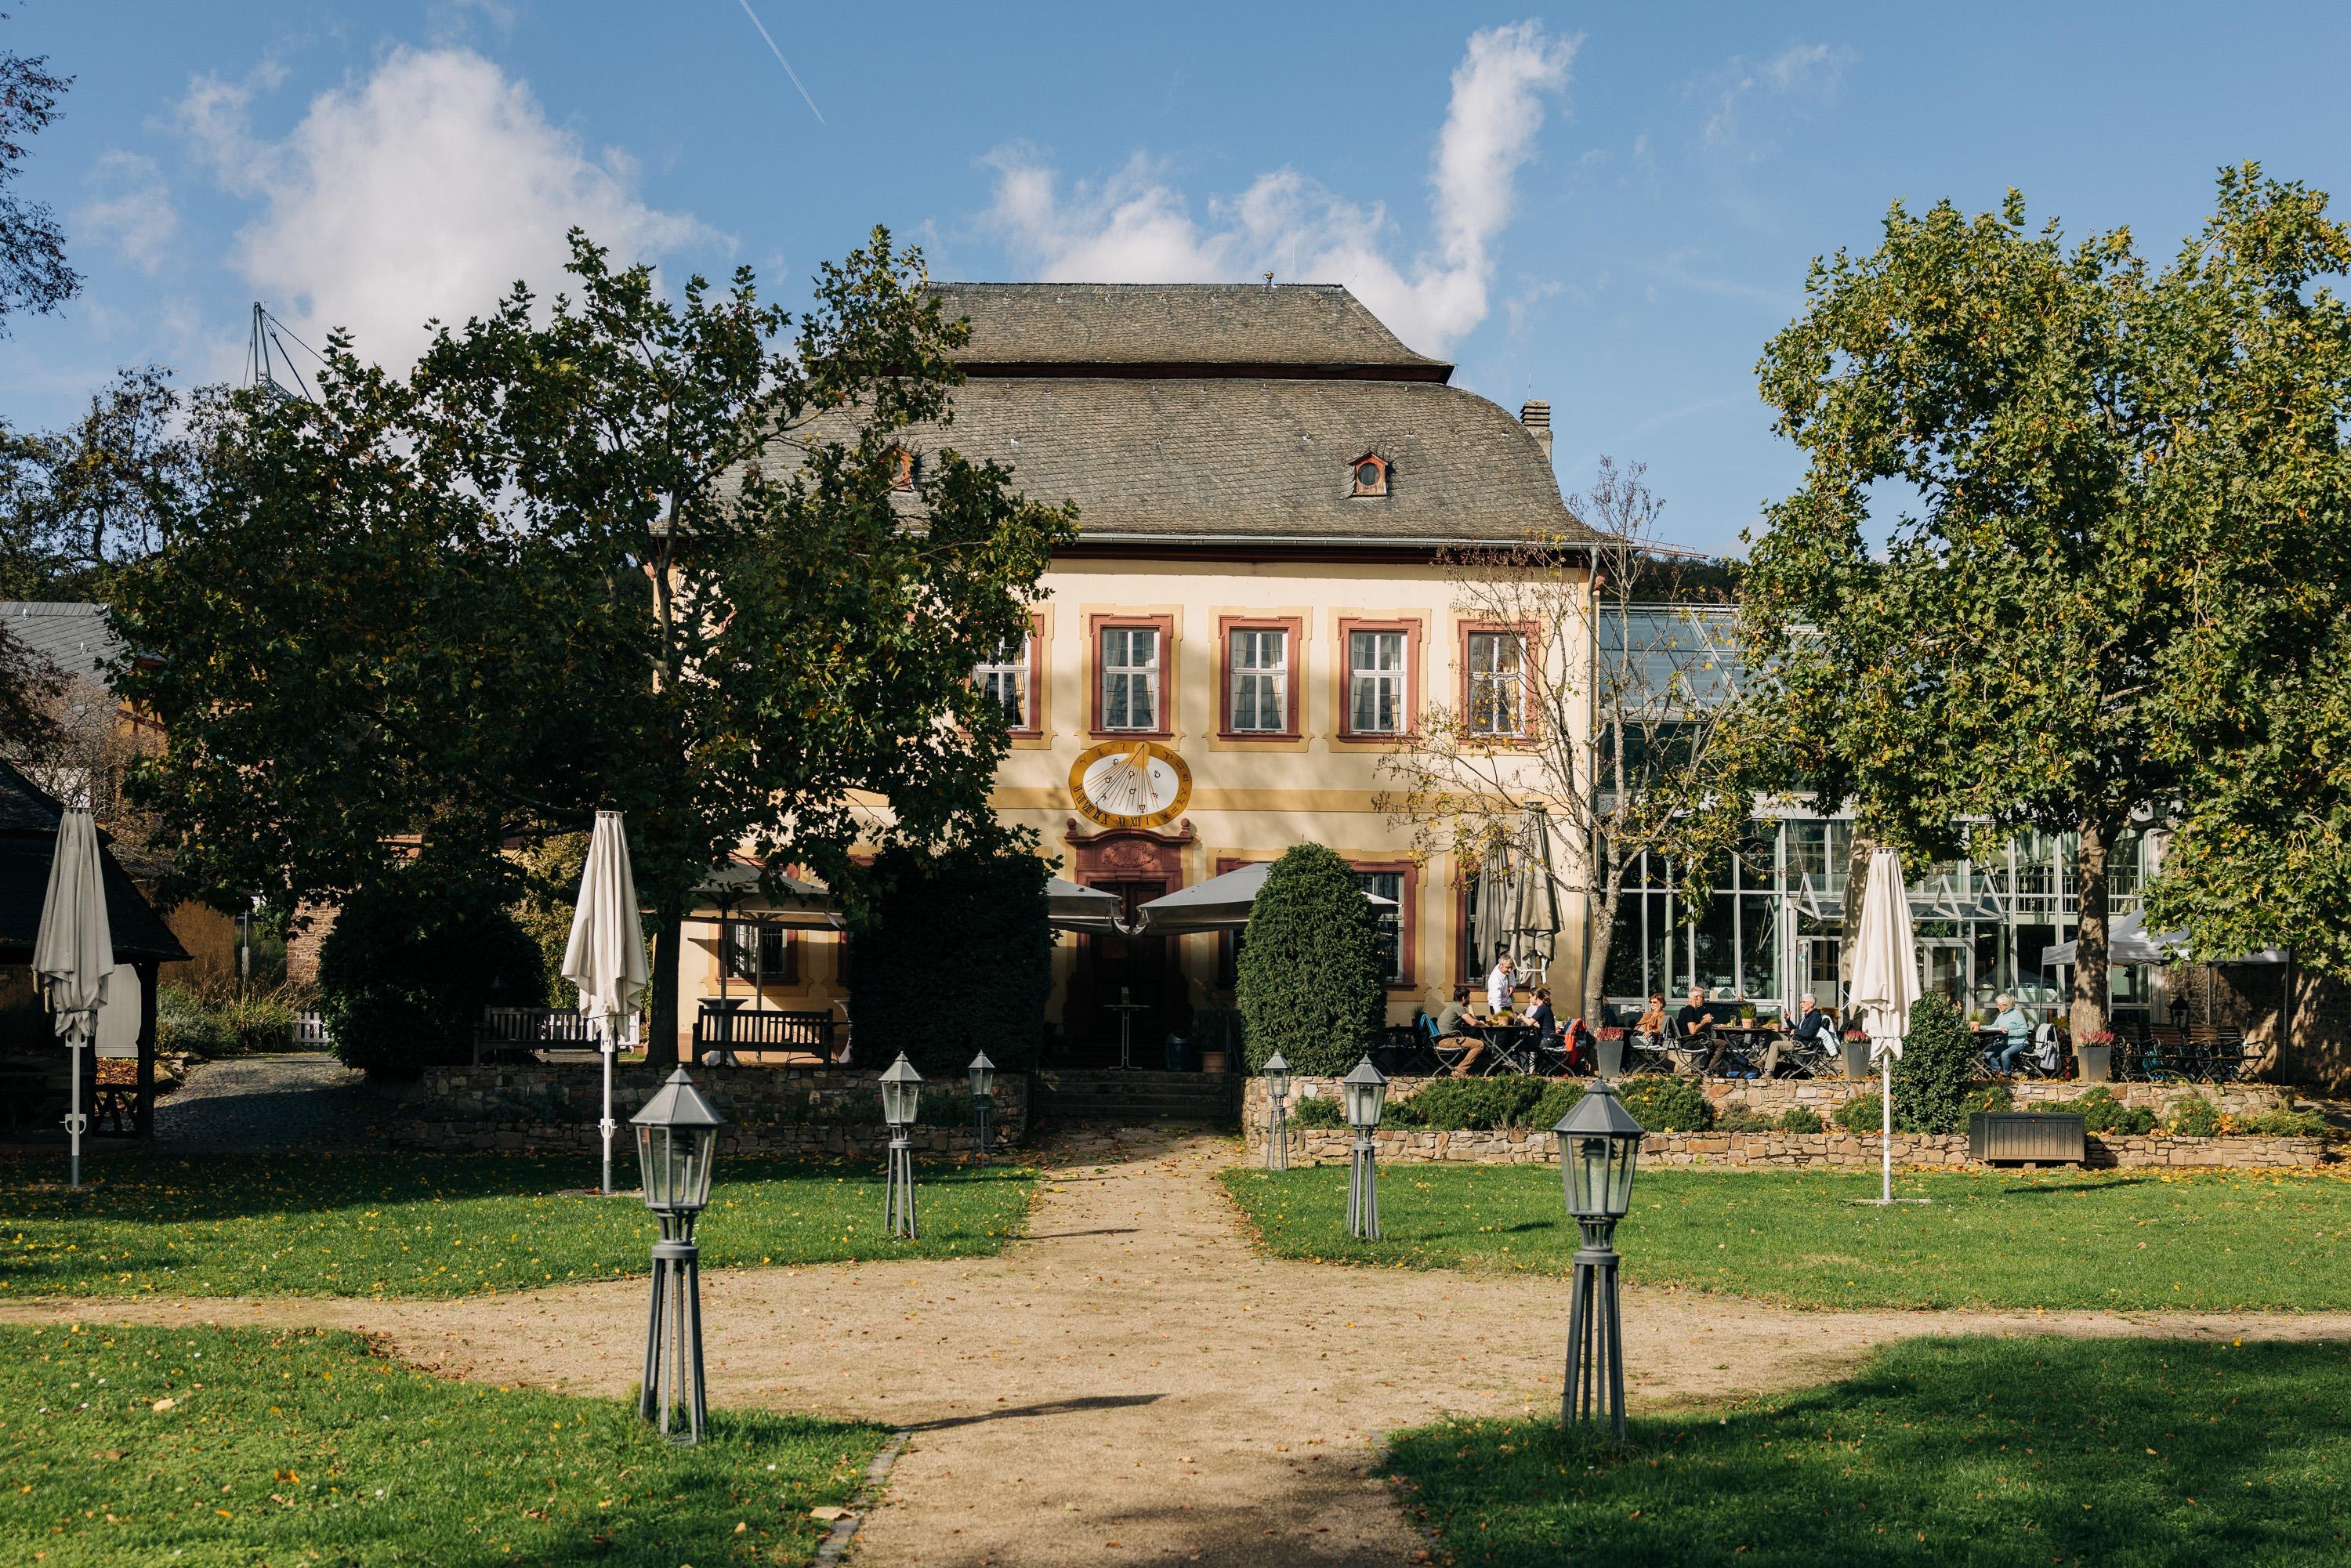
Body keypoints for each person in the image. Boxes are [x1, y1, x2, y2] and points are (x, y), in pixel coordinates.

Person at [1675, 987, 1725, 1074]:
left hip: (1685, 1041)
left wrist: (1702, 1019)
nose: (1704, 1000)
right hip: (1690, 1043)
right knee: (1722, 1043)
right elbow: (1693, 1031)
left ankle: (1708, 1069)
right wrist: (1704, 1021)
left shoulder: (1685, 1008)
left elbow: (1692, 1027)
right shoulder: (1690, 1009)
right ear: (1696, 998)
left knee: (1716, 1042)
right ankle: (1710, 1071)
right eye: (1703, 997)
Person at [1433, 994, 1485, 1077]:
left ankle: (1465, 1068)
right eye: (1468, 997)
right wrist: (1482, 1023)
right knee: (1479, 1044)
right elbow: (1473, 1022)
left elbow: (1473, 1019)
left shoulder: (1453, 1006)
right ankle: (1461, 1070)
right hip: (1447, 1040)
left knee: (1474, 1039)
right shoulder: (1458, 1007)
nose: (1470, 998)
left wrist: (1469, 1006)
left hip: (1444, 1039)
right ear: (1464, 998)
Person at [1992, 992, 2032, 1075]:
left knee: (2005, 1054)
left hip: (2020, 1043)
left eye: (1999, 1005)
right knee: (1989, 1053)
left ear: (2006, 1005)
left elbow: (2024, 1030)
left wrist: (2009, 1032)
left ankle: (2007, 1075)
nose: (1997, 1007)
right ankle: (1998, 1072)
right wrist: (1980, 1027)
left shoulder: (2017, 1014)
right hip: (2006, 1043)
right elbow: (1993, 1026)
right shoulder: (2001, 1015)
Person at [1486, 952, 1519, 1016]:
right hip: (1497, 1006)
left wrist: (1512, 986)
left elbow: (1513, 980)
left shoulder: (1508, 968)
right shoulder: (1495, 980)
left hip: (1507, 1004)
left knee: (1511, 1021)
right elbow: (1496, 1000)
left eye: (1511, 967)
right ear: (1501, 965)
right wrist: (1500, 1016)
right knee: (1503, 1022)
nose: (1510, 970)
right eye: (1508, 968)